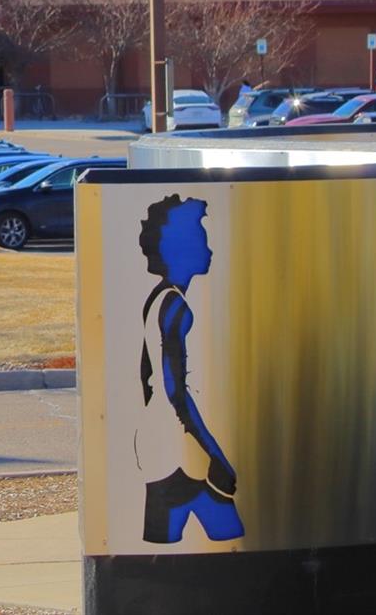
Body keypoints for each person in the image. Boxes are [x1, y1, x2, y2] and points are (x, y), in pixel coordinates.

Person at [137, 194, 245, 544]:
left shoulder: (159, 299)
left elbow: (147, 377)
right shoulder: (174, 307)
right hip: (184, 453)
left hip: (158, 444)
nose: (208, 246)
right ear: (177, 246)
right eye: (201, 236)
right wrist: (214, 454)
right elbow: (174, 389)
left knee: (161, 545)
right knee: (230, 538)